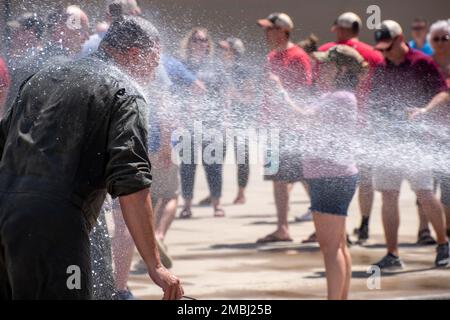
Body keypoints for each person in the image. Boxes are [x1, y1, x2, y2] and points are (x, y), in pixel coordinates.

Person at [0, 15, 183, 300]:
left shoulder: (44, 76)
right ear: (135, 54)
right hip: (58, 228)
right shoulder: (126, 92)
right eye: (154, 59)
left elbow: (4, 140)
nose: (155, 68)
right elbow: (132, 181)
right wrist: (155, 264)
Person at [279, 45, 366, 299]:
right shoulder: (340, 96)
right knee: (338, 245)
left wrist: (281, 94)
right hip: (336, 176)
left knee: (330, 249)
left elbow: (302, 118)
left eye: (326, 65)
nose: (321, 69)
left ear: (339, 69)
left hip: (330, 179)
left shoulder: (339, 97)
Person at [369, 20, 449, 270]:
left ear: (400, 38)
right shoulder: (381, 68)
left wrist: (425, 110)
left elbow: (443, 92)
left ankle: (443, 244)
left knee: (425, 194)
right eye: (380, 49)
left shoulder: (421, 62)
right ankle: (392, 254)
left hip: (416, 143)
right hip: (388, 142)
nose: (384, 53)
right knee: (388, 196)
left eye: (388, 47)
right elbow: (374, 103)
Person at [313, 12, 384, 243]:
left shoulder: (329, 51)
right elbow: (381, 87)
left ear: (341, 29)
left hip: (333, 126)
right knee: (362, 177)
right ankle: (364, 224)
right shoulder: (373, 54)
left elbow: (317, 84)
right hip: (363, 124)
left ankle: (335, 229)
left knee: (333, 176)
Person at [256, 12, 312, 243]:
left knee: (306, 177)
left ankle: (326, 222)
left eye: (270, 28)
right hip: (273, 128)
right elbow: (267, 93)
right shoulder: (270, 56)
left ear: (283, 31)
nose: (266, 32)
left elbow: (306, 93)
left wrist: (282, 89)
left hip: (293, 128)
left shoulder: (298, 56)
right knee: (278, 179)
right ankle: (282, 228)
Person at [178, 27, 227, 218]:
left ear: (208, 44)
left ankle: (217, 205)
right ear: (189, 43)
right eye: (196, 40)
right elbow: (173, 93)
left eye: (204, 40)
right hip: (188, 122)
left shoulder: (215, 66)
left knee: (213, 164)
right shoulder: (182, 65)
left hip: (212, 123)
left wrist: (225, 120)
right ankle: (187, 205)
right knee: (187, 165)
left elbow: (224, 96)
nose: (200, 43)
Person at [218, 37, 255, 205]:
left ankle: (241, 193)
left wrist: (236, 96)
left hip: (240, 121)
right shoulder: (218, 70)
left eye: (226, 50)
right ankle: (215, 192)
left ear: (235, 52)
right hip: (220, 121)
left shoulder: (244, 71)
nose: (222, 52)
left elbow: (250, 98)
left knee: (242, 158)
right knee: (216, 157)